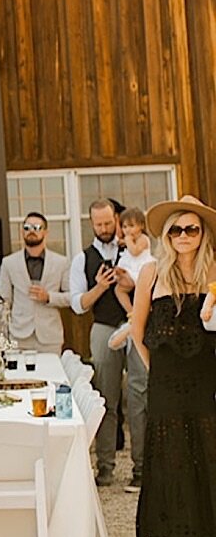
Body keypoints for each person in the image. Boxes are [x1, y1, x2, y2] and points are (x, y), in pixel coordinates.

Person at [130, 196, 216, 537]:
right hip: (166, 383)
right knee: (172, 461)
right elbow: (137, 331)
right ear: (167, 235)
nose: (183, 236)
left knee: (208, 456)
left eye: (191, 229)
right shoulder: (151, 272)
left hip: (206, 381)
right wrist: (156, 371)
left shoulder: (214, 269)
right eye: (176, 229)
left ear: (202, 233)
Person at [69, 198, 125, 487]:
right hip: (103, 327)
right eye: (98, 224)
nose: (104, 228)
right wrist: (101, 287)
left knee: (141, 396)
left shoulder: (133, 247)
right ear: (91, 223)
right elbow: (78, 305)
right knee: (106, 399)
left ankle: (142, 467)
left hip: (135, 324)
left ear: (116, 218)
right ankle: (106, 467)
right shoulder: (82, 258)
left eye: (108, 222)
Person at [110, 207, 154, 492]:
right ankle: (141, 467)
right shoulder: (123, 250)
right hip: (134, 324)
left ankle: (150, 468)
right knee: (137, 396)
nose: (127, 230)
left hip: (146, 309)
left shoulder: (145, 250)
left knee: (144, 396)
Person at [0, 212, 72, 353]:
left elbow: (71, 297)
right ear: (21, 232)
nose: (31, 231)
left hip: (50, 336)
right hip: (18, 336)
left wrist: (49, 297)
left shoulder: (61, 262)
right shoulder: (8, 263)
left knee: (50, 375)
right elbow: (3, 301)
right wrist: (4, 334)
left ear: (46, 232)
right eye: (27, 227)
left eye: (37, 227)